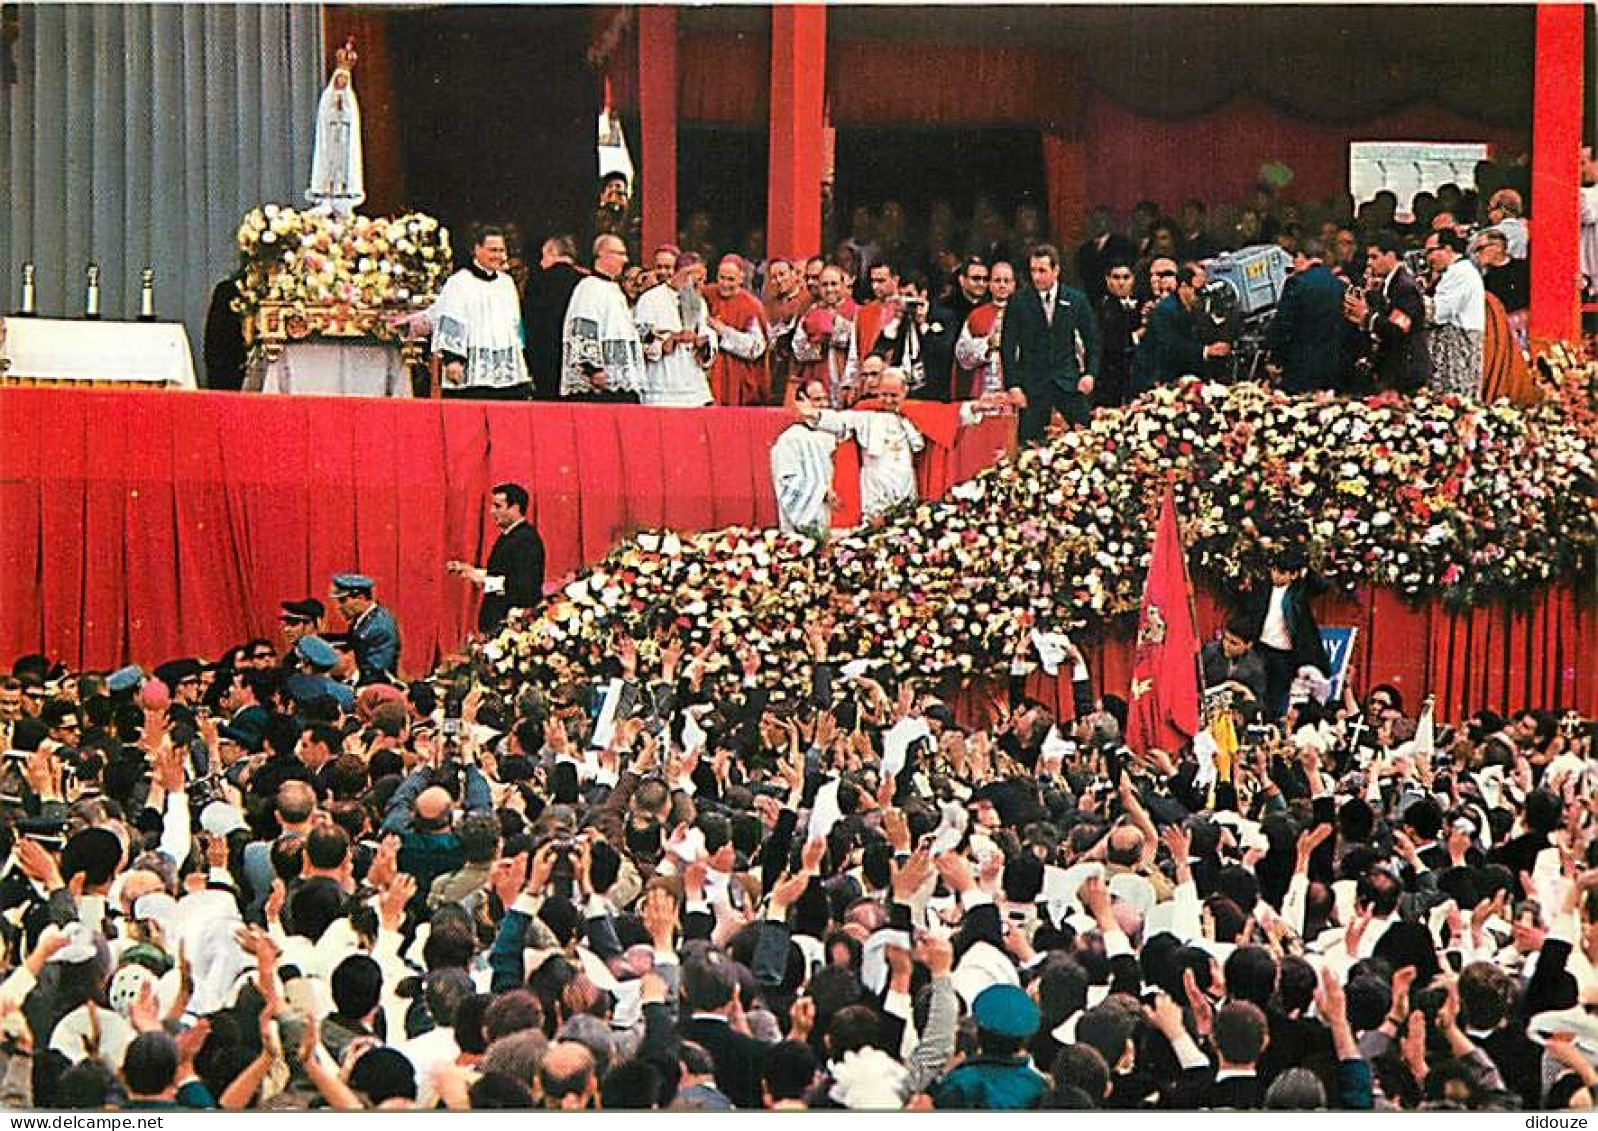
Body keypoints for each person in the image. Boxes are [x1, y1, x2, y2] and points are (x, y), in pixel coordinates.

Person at [999, 243, 1099, 444]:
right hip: (1033, 386)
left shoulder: (1076, 300)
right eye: (1033, 271)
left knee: (1084, 439)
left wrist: (1090, 374)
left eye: (1042, 271)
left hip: (1069, 383)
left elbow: (1093, 341)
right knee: (1029, 448)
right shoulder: (1019, 301)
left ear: (1056, 271)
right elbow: (1007, 347)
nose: (1037, 277)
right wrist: (1013, 386)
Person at [802, 367, 924, 521]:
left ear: (904, 392)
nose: (888, 400)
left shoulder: (910, 419)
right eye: (884, 394)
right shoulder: (866, 418)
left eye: (894, 395)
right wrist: (816, 415)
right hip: (876, 486)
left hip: (905, 483)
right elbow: (841, 421)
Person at [429, 225, 531, 400]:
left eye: (501, 250)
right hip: (471, 371)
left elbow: (515, 324)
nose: (498, 255)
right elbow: (451, 321)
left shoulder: (507, 283)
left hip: (506, 371)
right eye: (492, 250)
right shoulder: (459, 282)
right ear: (477, 250)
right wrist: (453, 360)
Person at [1237, 547, 1330, 720]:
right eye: (1274, 570)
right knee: (1255, 687)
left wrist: (1305, 569)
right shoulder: (1263, 587)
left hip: (1285, 653)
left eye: (1282, 572)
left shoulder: (1298, 592)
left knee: (1277, 695)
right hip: (1261, 648)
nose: (1276, 575)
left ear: (1293, 575)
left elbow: (1322, 586)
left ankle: (1272, 726)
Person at [448, 482, 546, 636]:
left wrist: (482, 579)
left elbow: (523, 586)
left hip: (511, 628)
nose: (492, 511)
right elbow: (503, 573)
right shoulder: (509, 536)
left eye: (498, 506)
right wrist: (473, 572)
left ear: (515, 508)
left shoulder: (526, 539)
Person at [561, 234, 646, 401]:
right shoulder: (589, 288)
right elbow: (582, 330)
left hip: (620, 383)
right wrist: (593, 370)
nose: (625, 259)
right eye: (620, 254)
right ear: (602, 255)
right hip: (599, 387)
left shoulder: (614, 289)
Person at [1343, 229, 1428, 395]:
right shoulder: (1390, 285)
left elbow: (1398, 328)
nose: (1369, 263)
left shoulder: (1404, 287)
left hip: (1404, 371)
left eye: (1374, 257)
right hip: (1391, 368)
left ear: (1390, 255)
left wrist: (1366, 316)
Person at [1265, 237, 1349, 394]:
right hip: (1333, 367)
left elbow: (1283, 325)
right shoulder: (1340, 285)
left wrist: (1275, 359)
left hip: (1300, 367)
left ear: (1302, 257)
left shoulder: (1296, 284)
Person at [1131, 261, 1226, 398]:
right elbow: (1170, 347)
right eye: (1197, 290)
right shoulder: (1165, 311)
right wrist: (1205, 351)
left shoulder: (1196, 310)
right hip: (1158, 380)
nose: (1200, 296)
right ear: (1184, 286)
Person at [634, 254, 717, 407]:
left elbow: (708, 336)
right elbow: (642, 340)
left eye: (703, 281)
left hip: (694, 388)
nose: (701, 286)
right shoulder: (650, 300)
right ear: (684, 274)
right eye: (698, 280)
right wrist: (674, 338)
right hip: (662, 388)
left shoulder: (699, 302)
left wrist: (703, 343)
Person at [770, 377, 840, 536]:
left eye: (825, 399)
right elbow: (786, 481)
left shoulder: (834, 433)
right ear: (801, 402)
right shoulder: (790, 439)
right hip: (807, 518)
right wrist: (821, 492)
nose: (823, 405)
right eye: (817, 400)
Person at [1423, 228, 1485, 400]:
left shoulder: (1459, 273)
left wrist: (1413, 297)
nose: (1428, 259)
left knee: (1454, 402)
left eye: (1431, 252)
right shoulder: (1459, 271)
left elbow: (1437, 313)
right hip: (1457, 346)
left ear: (1448, 248)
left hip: (1457, 349)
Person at [522, 235, 586, 400]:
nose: (541, 262)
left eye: (543, 256)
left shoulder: (538, 281)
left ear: (552, 252)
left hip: (544, 359)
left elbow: (529, 323)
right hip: (576, 363)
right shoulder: (585, 282)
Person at [306, 40, 363, 217]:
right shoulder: (327, 97)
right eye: (340, 79)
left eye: (345, 80)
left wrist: (343, 111)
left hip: (344, 140)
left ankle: (343, 198)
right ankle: (327, 196)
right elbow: (324, 117)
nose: (342, 82)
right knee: (329, 165)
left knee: (343, 167)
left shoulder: (350, 99)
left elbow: (351, 117)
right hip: (330, 139)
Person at [705, 256, 770, 407]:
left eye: (731, 279)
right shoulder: (707, 294)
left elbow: (756, 348)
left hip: (738, 378)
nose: (725, 284)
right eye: (722, 278)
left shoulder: (751, 305)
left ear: (741, 279)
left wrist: (724, 332)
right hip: (710, 376)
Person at [791, 264, 857, 407]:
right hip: (817, 377)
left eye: (834, 284)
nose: (829, 289)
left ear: (843, 285)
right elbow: (798, 348)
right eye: (824, 285)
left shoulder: (856, 312)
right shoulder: (811, 312)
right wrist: (818, 348)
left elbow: (855, 348)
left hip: (844, 377)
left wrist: (833, 328)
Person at [329, 573, 400, 684]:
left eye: (343, 600)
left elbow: (376, 670)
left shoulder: (380, 627)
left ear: (360, 598)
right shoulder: (364, 619)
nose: (339, 607)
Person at [1092, 262, 1141, 408]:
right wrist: (1138, 335)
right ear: (1108, 280)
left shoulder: (1140, 305)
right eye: (1116, 277)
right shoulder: (1104, 308)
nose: (1121, 283)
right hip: (1110, 378)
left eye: (1126, 277)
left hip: (1135, 375)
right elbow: (1110, 342)